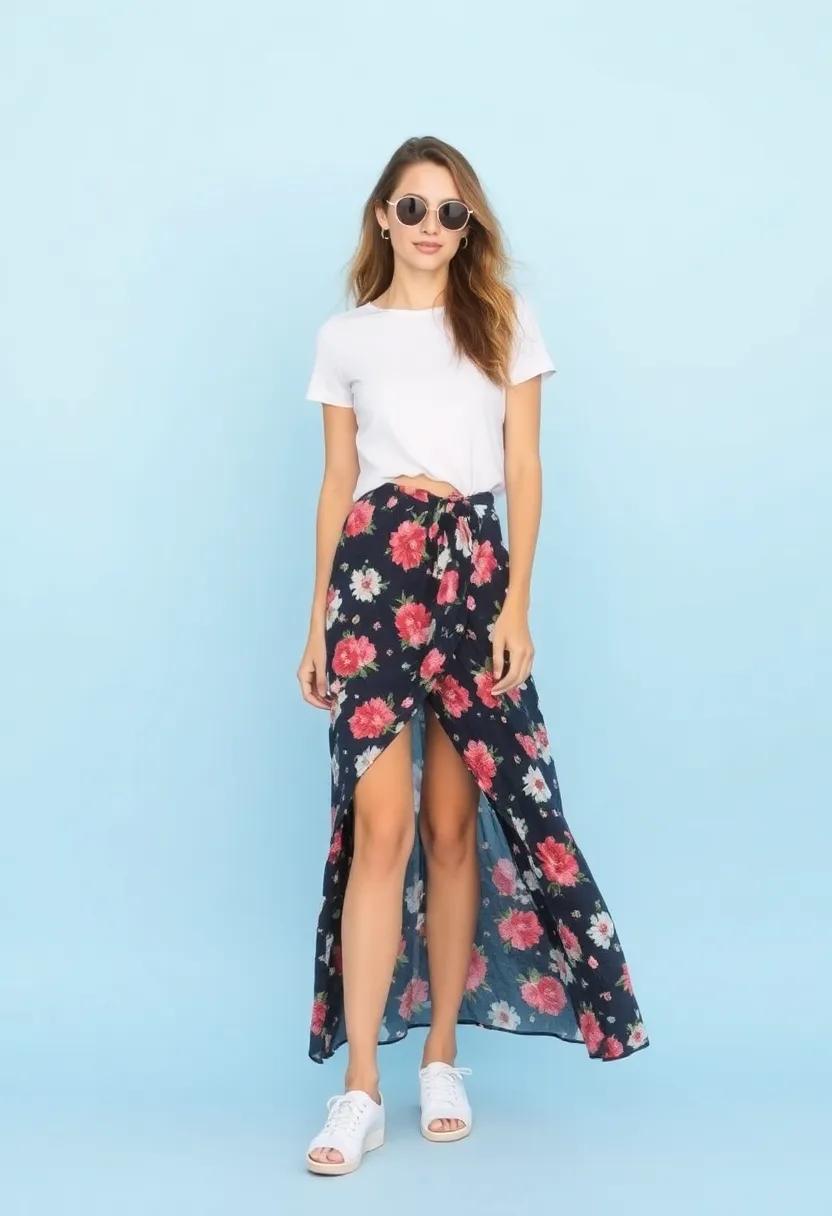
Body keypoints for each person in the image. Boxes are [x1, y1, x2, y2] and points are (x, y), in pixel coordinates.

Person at [297, 135, 650, 1176]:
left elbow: (524, 467)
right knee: (381, 828)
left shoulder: (500, 319)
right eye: (412, 207)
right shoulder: (345, 337)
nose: (430, 227)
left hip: (474, 571)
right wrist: (315, 622)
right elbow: (336, 483)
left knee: (455, 827)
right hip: (375, 571)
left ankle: (442, 1057)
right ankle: (361, 1086)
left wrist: (517, 604)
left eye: (451, 212)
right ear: (382, 216)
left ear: (469, 226)